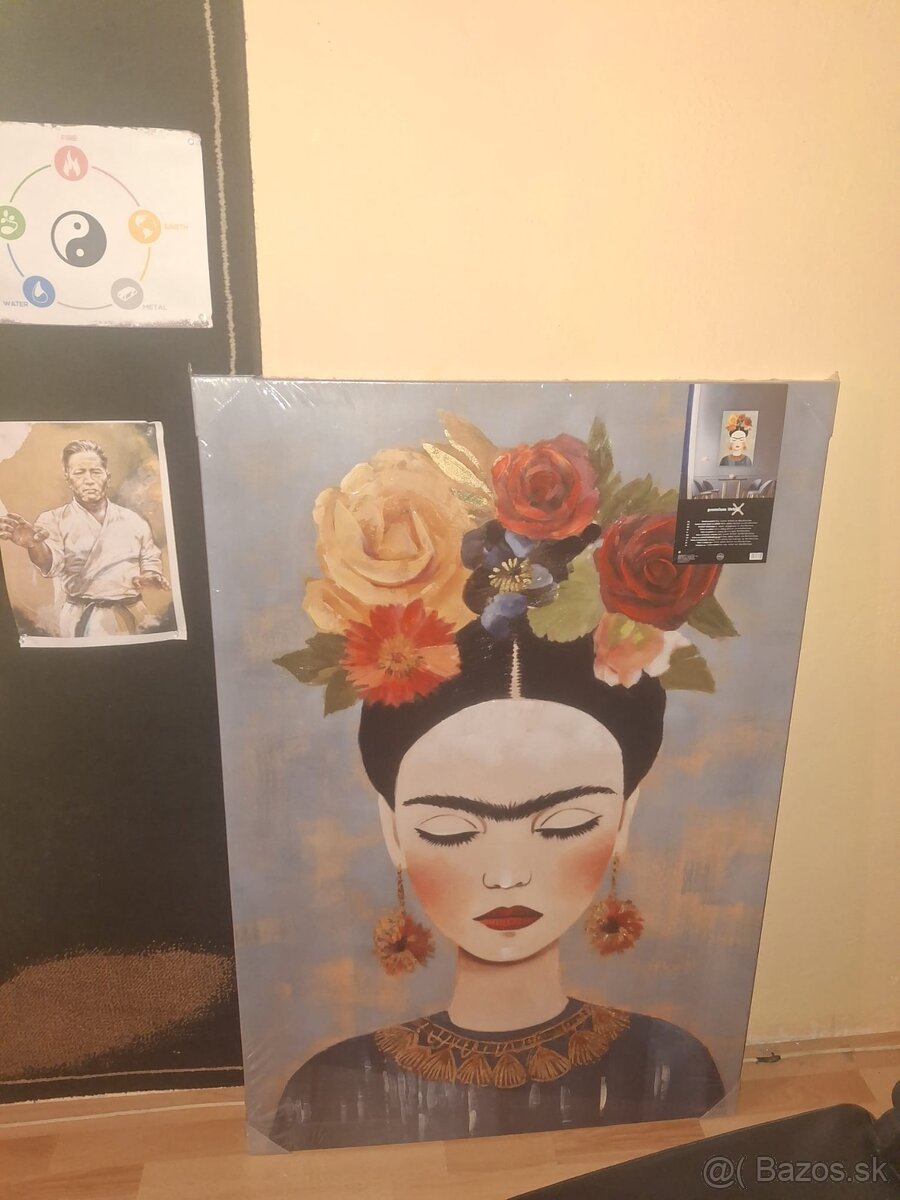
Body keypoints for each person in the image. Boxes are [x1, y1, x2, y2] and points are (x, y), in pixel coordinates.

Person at [269, 419, 732, 1151]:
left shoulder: (672, 1070)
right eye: (452, 828)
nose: (508, 873)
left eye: (565, 823)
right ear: (392, 827)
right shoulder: (331, 1090)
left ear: (624, 817)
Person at [0, 439, 170, 637]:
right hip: (82, 618)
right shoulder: (52, 519)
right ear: (68, 479)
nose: (88, 480)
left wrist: (151, 575)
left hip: (134, 614)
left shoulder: (134, 520)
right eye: (79, 472)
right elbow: (51, 563)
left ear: (107, 476)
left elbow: (150, 557)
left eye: (95, 472)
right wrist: (33, 544)